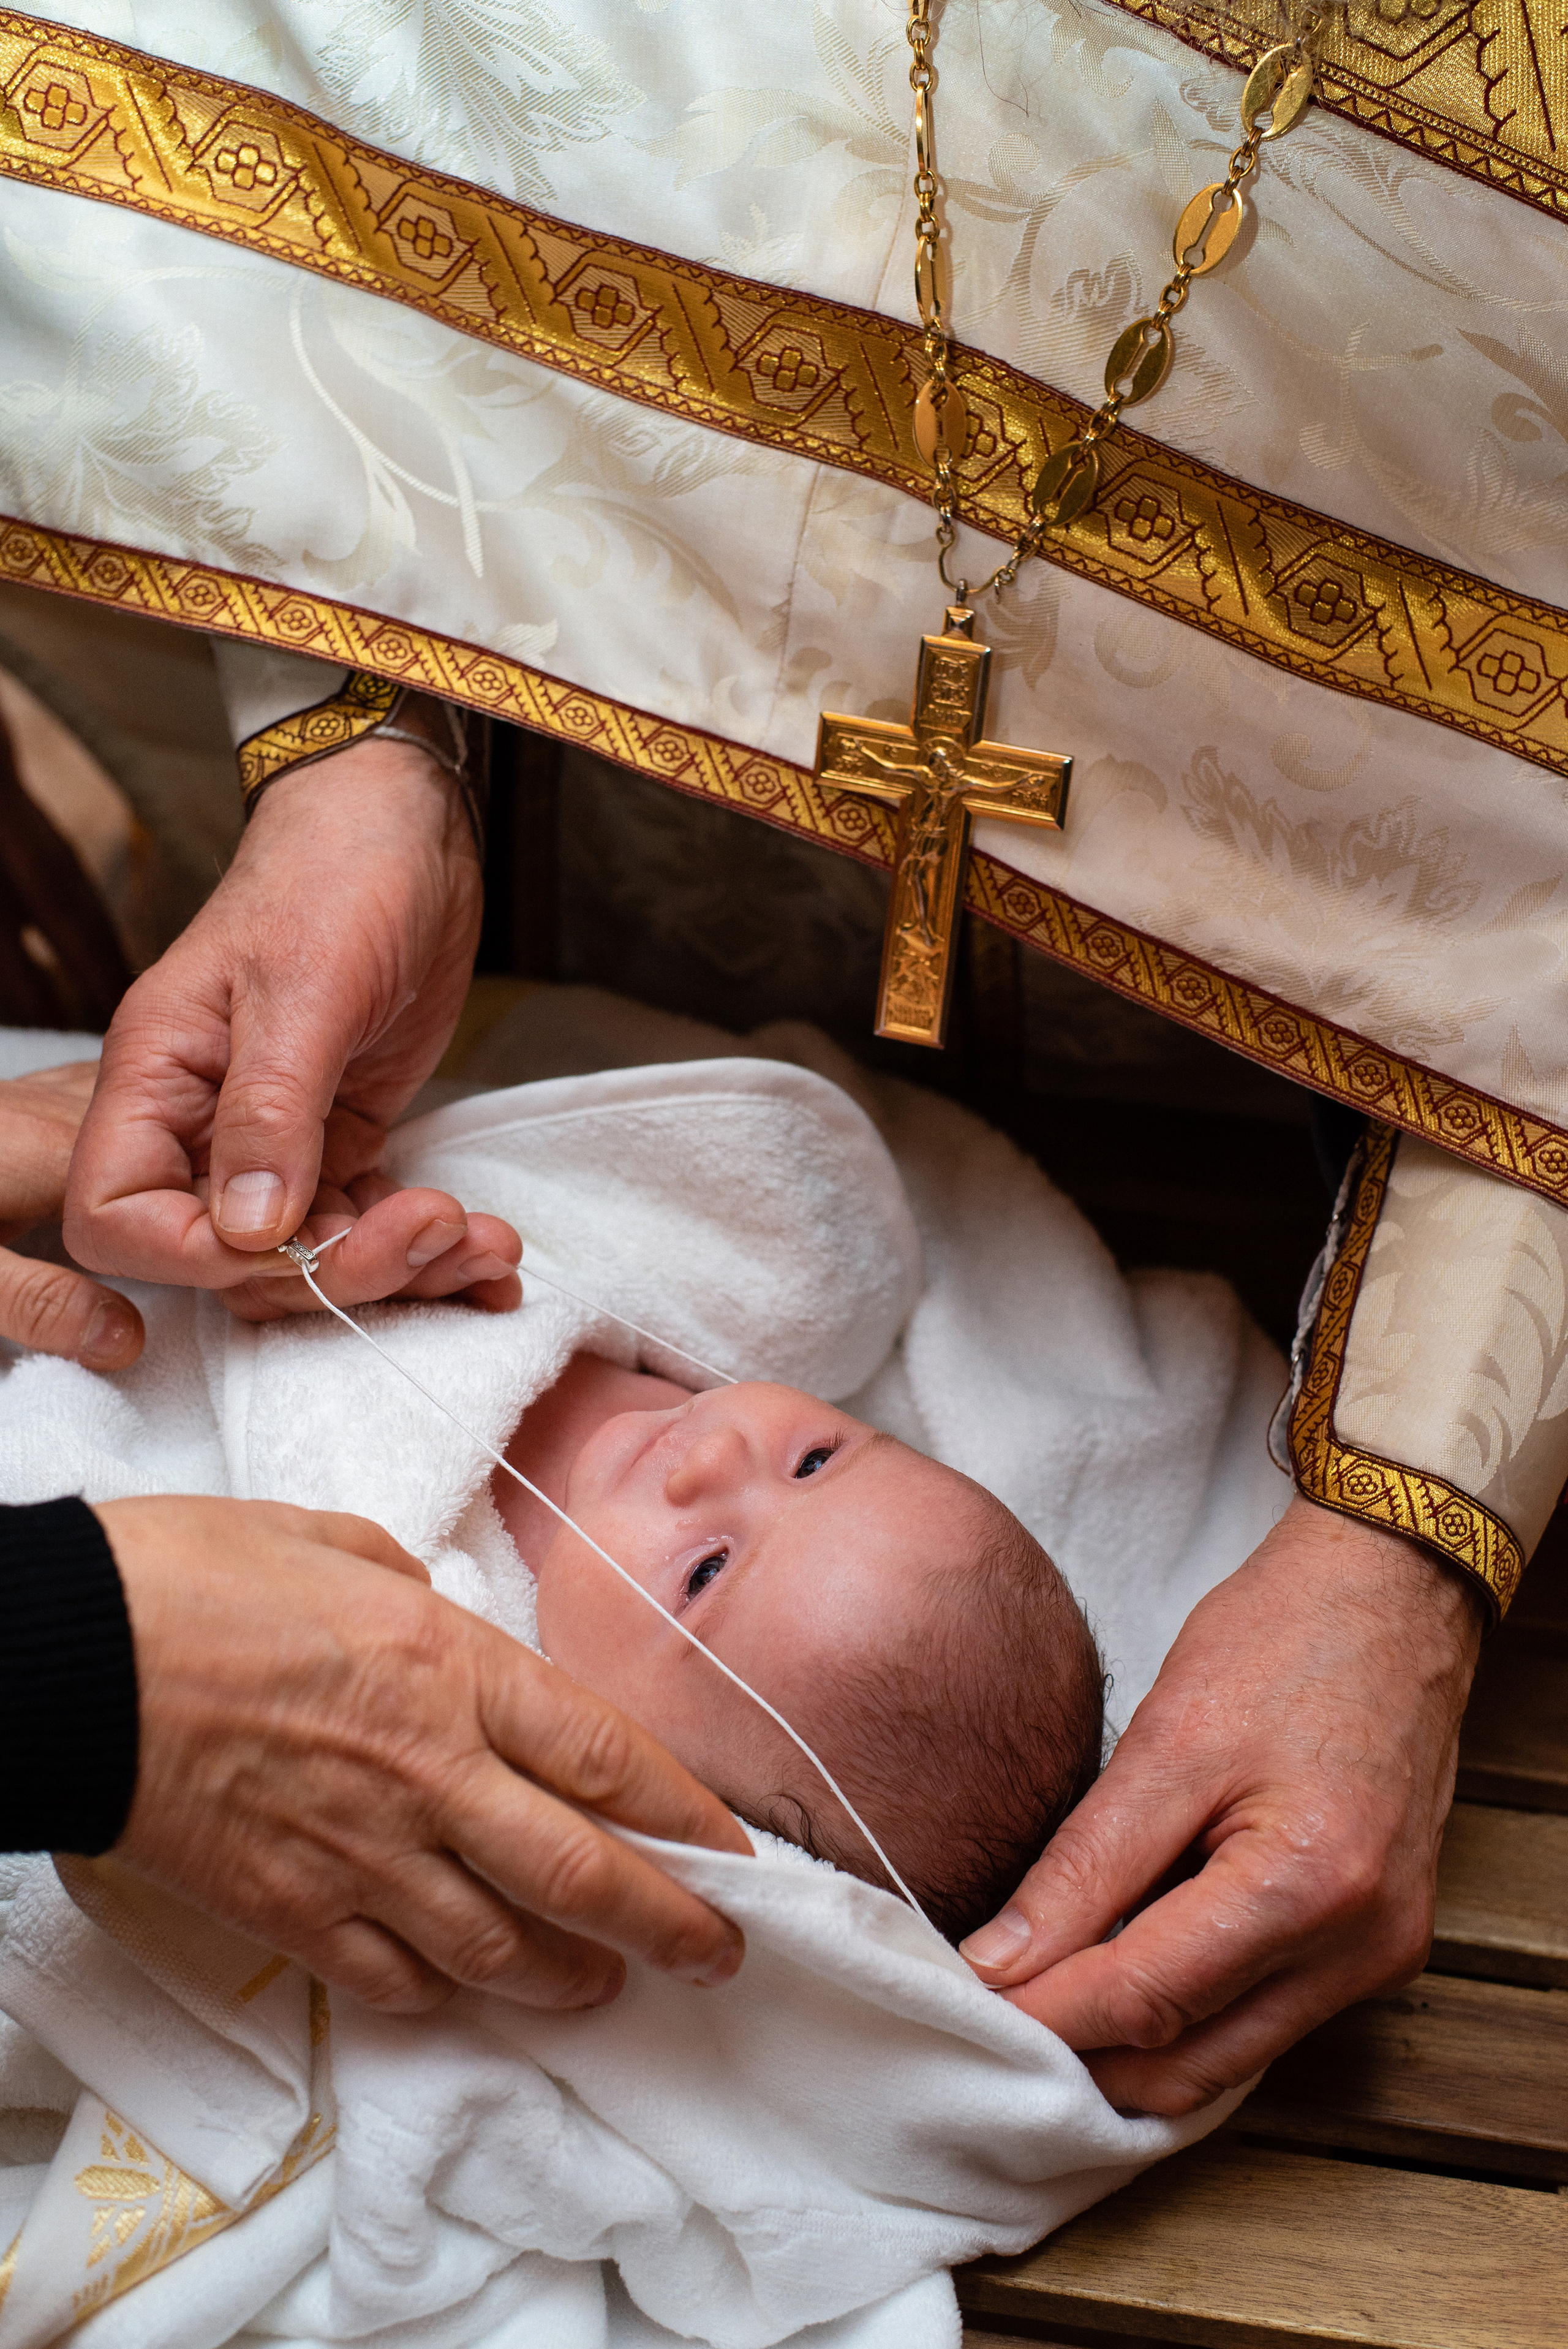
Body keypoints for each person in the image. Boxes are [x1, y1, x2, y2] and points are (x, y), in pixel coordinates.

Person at [0, 0, 1556, 2114]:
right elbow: (263, 145)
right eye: (808, 1444)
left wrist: (1410, 1523)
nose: (737, 1442)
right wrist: (370, 745)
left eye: (747, 1535)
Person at [0, 1060, 750, 2011]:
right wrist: (83, 1666)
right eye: (818, 1455)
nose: (718, 1459)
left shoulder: (456, 1646)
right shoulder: (628, 1301)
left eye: (711, 1568)